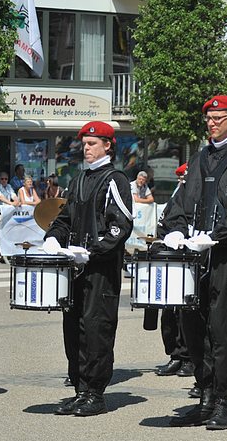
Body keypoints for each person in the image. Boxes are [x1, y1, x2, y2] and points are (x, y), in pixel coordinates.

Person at [161, 95, 227, 430]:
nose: (211, 123)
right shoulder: (199, 157)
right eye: (208, 118)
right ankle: (205, 394)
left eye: (218, 118)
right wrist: (176, 231)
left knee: (224, 330)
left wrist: (216, 235)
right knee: (193, 329)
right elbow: (179, 204)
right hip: (195, 256)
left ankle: (223, 400)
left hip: (226, 256)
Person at [43, 121, 134, 417]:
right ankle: (80, 389)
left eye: (92, 143)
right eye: (84, 144)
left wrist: (92, 252)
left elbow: (121, 225)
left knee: (97, 328)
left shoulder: (115, 179)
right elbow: (65, 217)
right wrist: (53, 238)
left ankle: (95, 392)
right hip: (75, 266)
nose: (86, 148)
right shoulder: (80, 178)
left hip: (100, 270)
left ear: (108, 145)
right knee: (74, 328)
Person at [154, 163, 194, 379]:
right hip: (172, 258)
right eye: (180, 178)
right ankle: (175, 354)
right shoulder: (176, 197)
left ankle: (188, 357)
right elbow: (164, 224)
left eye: (184, 178)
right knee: (169, 313)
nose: (182, 181)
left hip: (188, 257)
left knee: (185, 312)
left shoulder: (194, 196)